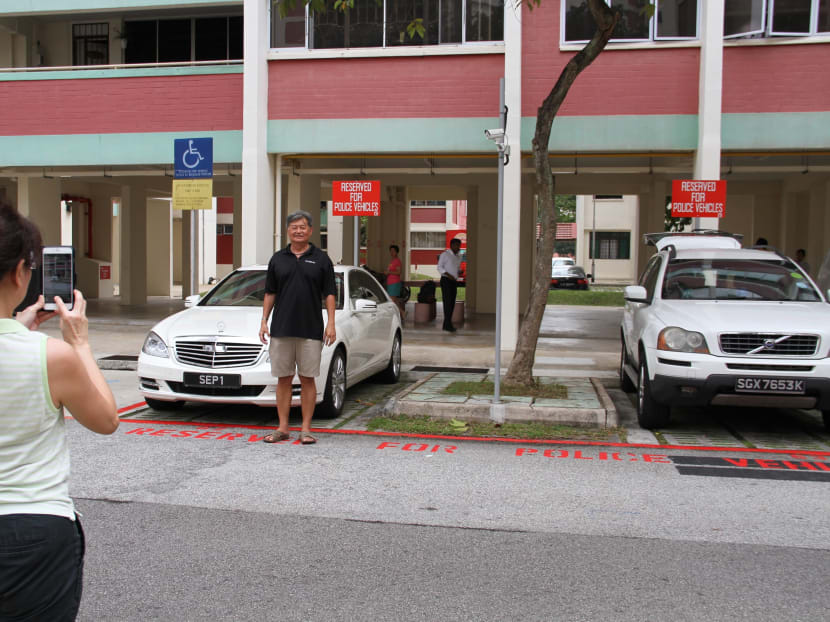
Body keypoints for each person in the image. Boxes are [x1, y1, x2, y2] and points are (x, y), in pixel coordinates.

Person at [0, 200, 118, 620]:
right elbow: (106, 420)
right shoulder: (51, 356)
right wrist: (80, 344)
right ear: (19, 273)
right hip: (33, 528)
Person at [259, 210, 337, 445]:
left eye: (303, 226)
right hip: (281, 329)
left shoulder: (321, 259)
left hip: (310, 329)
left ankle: (306, 429)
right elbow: (270, 292)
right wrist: (264, 320)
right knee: (283, 379)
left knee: (307, 379)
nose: (298, 230)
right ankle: (283, 427)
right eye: (294, 227)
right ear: (288, 230)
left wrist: (331, 323)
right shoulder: (278, 258)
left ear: (310, 230)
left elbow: (330, 293)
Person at [437, 238, 462, 333]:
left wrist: (458, 272)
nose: (458, 247)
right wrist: (449, 275)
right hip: (446, 280)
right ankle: (447, 325)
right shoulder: (445, 254)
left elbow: (457, 267)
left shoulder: (458, 256)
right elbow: (439, 267)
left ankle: (447, 324)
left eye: (459, 245)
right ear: (451, 245)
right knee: (447, 302)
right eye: (456, 245)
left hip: (453, 281)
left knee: (452, 303)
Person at [385, 244, 405, 320]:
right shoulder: (392, 261)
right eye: (390, 251)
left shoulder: (397, 261)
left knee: (391, 301)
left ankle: (400, 313)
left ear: (397, 252)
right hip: (390, 283)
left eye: (393, 251)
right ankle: (402, 313)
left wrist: (389, 272)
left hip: (394, 283)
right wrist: (387, 272)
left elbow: (399, 272)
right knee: (394, 300)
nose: (392, 252)